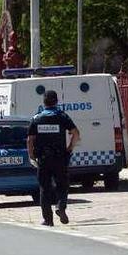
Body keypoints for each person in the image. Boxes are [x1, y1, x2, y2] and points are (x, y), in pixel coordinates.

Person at [27, 90, 80, 226]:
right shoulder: (62, 117)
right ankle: (60, 206)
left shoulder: (37, 118)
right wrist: (69, 149)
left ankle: (48, 219)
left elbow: (30, 140)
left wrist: (31, 156)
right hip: (60, 157)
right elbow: (76, 133)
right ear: (56, 101)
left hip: (43, 159)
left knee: (44, 188)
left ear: (44, 102)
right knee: (62, 185)